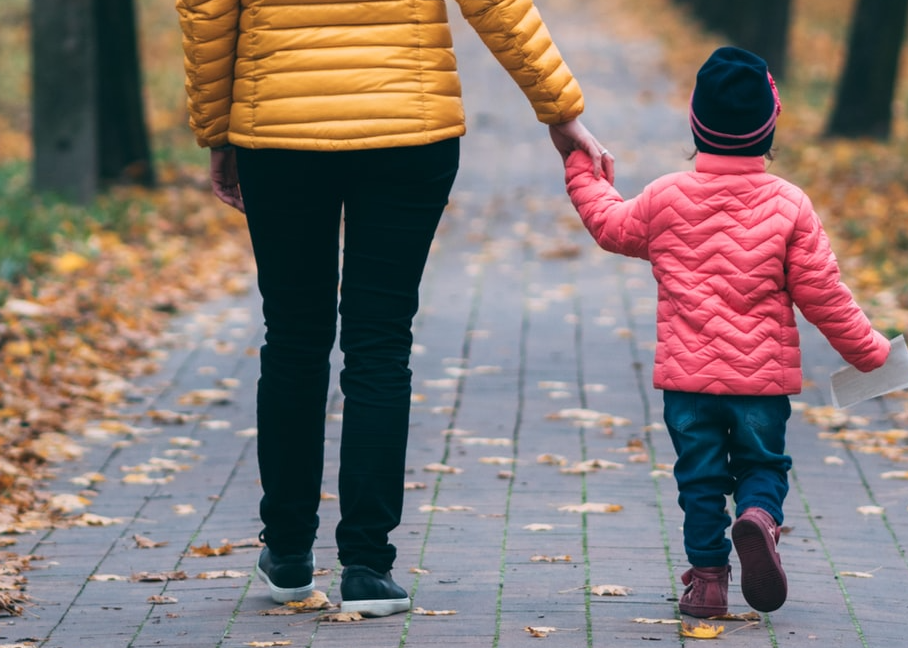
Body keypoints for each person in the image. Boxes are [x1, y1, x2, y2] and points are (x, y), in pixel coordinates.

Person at [178, 0, 614, 618]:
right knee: (379, 341)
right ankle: (366, 565)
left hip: (279, 131)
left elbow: (207, 11)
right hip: (409, 130)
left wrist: (216, 129)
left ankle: (289, 551)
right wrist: (560, 109)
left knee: (295, 339)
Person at [560, 47, 891, 617]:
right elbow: (824, 295)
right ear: (770, 126)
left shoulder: (666, 197)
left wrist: (578, 164)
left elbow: (610, 225)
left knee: (700, 482)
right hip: (760, 386)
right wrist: (870, 352)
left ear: (696, 124)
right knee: (763, 467)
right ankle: (759, 517)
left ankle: (708, 583)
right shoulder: (790, 206)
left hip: (688, 387)